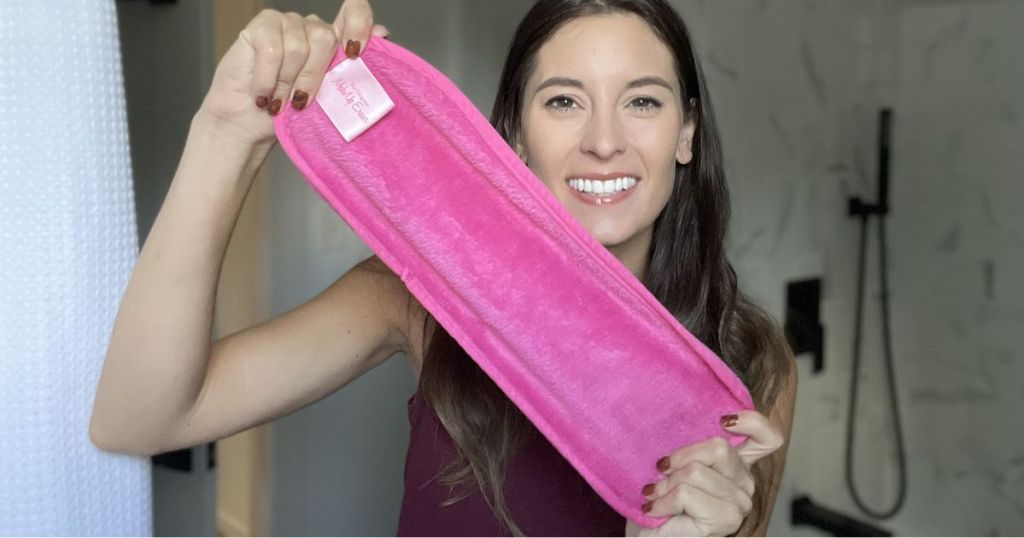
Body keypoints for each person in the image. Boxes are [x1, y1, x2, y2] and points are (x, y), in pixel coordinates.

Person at [90, 0, 797, 535]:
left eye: (642, 101)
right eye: (563, 101)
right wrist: (226, 131)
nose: (604, 141)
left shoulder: (749, 371)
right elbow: (139, 420)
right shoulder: (420, 297)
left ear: (686, 132)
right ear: (515, 136)